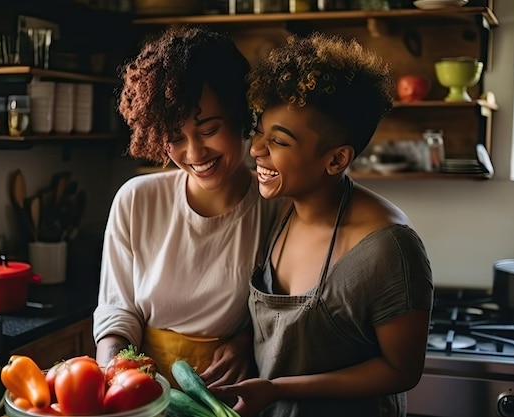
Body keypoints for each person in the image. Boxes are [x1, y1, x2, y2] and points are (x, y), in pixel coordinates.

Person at [211, 33, 434, 416]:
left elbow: (402, 370)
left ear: (336, 160)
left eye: (279, 141)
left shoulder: (389, 249)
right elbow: (289, 338)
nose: (256, 149)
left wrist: (278, 389)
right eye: (260, 129)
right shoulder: (281, 213)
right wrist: (244, 341)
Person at [93, 26, 281, 387]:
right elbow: (117, 311)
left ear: (242, 115)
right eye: (175, 138)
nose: (194, 154)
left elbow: (284, 318)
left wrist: (246, 343)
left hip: (229, 394)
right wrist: (112, 378)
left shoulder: (276, 206)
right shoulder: (136, 200)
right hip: (140, 389)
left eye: (209, 129)